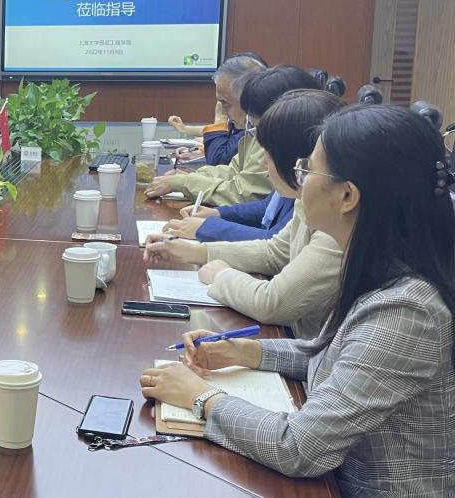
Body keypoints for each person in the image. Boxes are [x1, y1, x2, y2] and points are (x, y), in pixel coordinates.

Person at [140, 105, 455, 497]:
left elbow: (300, 448)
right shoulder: (381, 266)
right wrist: (244, 351)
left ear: (347, 195)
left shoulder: (408, 311)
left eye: (308, 169)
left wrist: (200, 397)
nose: (299, 181)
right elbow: (334, 356)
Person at [145, 89, 346, 338]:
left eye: (270, 155)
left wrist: (221, 276)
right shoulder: (307, 201)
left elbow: (273, 304)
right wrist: (195, 251)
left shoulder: (335, 227)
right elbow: (276, 252)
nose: (263, 163)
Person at [146, 65, 316, 207]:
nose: (223, 110)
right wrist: (189, 178)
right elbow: (233, 171)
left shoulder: (273, 135)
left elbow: (244, 194)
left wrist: (184, 183)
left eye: (225, 103)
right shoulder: (256, 128)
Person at [170, 52, 266, 164]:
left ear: (249, 97)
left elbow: (219, 161)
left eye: (224, 102)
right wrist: (202, 150)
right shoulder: (245, 122)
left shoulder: (261, 129)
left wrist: (220, 119)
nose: (221, 108)